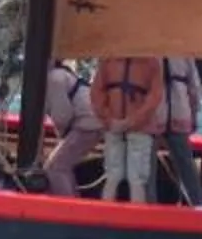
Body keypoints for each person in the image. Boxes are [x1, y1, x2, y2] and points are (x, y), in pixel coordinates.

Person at [92, 54, 166, 204]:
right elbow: (154, 97)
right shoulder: (151, 62)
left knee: (119, 176)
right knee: (133, 177)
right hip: (133, 128)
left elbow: (96, 94)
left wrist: (112, 120)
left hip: (126, 127)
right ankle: (135, 219)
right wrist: (121, 121)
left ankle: (106, 216)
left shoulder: (108, 60)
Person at [36, 59, 102, 196]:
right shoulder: (62, 74)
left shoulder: (54, 78)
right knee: (63, 165)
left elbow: (62, 116)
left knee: (55, 167)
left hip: (87, 125)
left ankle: (67, 207)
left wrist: (61, 138)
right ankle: (74, 202)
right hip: (92, 122)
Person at [158, 56, 202, 206]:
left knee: (185, 165)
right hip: (163, 113)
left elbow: (193, 84)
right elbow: (194, 85)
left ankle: (197, 204)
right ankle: (198, 204)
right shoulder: (183, 53)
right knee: (185, 165)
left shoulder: (182, 54)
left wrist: (194, 113)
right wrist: (194, 113)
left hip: (164, 114)